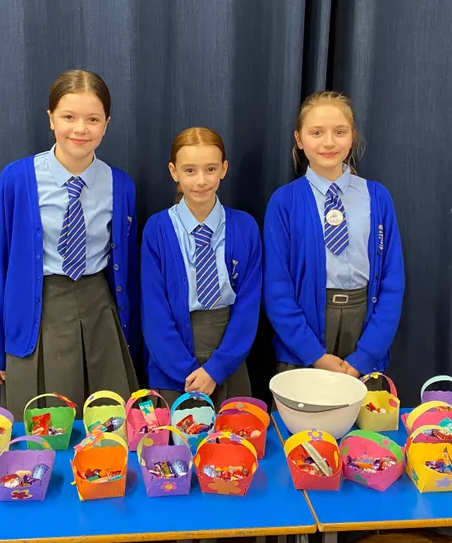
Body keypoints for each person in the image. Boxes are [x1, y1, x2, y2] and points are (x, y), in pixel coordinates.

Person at [0, 69, 139, 418]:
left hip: (100, 312)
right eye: (68, 117)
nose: (80, 129)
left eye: (93, 119)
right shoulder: (17, 179)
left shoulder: (121, 185)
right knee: (44, 426)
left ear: (106, 124)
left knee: (106, 424)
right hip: (37, 315)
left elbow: (128, 273)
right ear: (51, 118)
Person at [264, 91, 404, 380]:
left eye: (339, 132)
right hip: (304, 338)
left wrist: (366, 354)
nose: (328, 142)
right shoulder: (284, 202)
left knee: (363, 410)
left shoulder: (377, 197)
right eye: (316, 133)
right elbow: (277, 288)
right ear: (299, 139)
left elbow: (392, 281)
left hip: (364, 329)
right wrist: (313, 354)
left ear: (352, 137)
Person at [141, 127, 261, 409]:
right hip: (173, 364)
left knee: (233, 433)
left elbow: (248, 307)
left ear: (224, 169)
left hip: (229, 357)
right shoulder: (157, 229)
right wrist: (188, 373)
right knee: (177, 436)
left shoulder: (245, 227)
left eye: (210, 169)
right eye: (190, 170)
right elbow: (154, 311)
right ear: (174, 172)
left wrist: (216, 370)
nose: (201, 180)